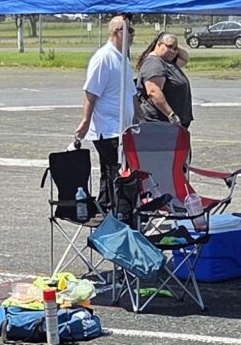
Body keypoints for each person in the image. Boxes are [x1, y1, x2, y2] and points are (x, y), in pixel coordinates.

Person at [72, 14, 134, 207]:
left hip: (123, 127)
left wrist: (140, 120)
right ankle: (113, 209)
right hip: (107, 128)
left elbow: (131, 93)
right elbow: (91, 92)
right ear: (117, 31)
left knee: (114, 172)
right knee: (114, 171)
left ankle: (107, 206)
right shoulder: (104, 58)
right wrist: (85, 120)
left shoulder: (123, 58)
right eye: (130, 31)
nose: (133, 36)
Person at [136, 32, 192, 128]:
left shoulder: (166, 61)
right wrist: (171, 115)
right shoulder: (154, 63)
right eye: (169, 47)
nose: (173, 51)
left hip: (172, 123)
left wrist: (173, 43)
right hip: (160, 122)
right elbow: (154, 92)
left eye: (175, 49)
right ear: (158, 44)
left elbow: (185, 58)